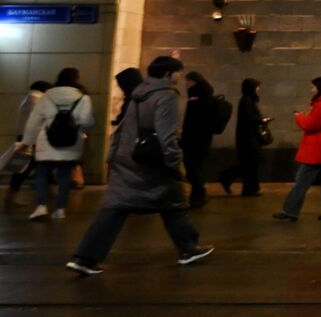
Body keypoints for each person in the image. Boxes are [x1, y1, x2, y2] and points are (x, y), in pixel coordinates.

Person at [65, 57, 213, 274]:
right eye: (178, 72)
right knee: (172, 202)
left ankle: (85, 257)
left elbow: (124, 128)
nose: (180, 76)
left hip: (127, 159)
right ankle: (188, 248)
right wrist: (176, 163)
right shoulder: (166, 96)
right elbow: (166, 135)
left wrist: (113, 157)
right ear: (168, 74)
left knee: (117, 207)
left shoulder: (139, 93)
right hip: (152, 162)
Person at [21, 67, 95, 222]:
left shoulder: (46, 97)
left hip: (47, 142)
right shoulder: (83, 98)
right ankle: (60, 210)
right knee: (65, 176)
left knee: (41, 174)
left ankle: (41, 207)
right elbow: (87, 122)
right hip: (71, 143)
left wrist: (27, 142)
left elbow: (34, 122)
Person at [273, 77, 321, 221]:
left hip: (318, 151)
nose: (311, 90)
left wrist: (299, 116)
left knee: (301, 181)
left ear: (320, 88)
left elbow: (310, 125)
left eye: (313, 87)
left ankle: (290, 212)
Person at [220, 78, 269, 197]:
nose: (258, 89)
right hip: (247, 139)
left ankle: (250, 189)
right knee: (250, 163)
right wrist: (261, 119)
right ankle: (227, 177)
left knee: (251, 164)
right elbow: (248, 118)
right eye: (256, 86)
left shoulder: (249, 100)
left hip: (249, 138)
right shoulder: (246, 100)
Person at [6, 80, 50, 207]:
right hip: (32, 139)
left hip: (26, 137)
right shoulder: (37, 100)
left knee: (24, 168)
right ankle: (11, 198)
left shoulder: (28, 99)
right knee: (25, 168)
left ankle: (11, 197)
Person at [179, 72, 217, 209]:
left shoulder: (197, 98)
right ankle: (197, 196)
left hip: (194, 139)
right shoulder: (204, 96)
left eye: (188, 81)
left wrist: (184, 137)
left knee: (192, 167)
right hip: (201, 139)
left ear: (195, 82)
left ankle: (200, 193)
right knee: (196, 167)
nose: (186, 83)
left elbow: (193, 121)